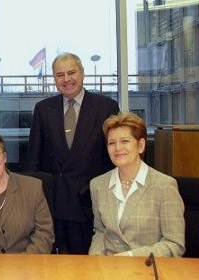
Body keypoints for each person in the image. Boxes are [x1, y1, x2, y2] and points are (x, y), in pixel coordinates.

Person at [26, 52, 120, 254]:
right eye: (60, 75)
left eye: (71, 72)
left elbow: (114, 157)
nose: (66, 79)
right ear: (54, 79)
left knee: (87, 262)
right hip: (53, 201)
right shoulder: (43, 109)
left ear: (83, 74)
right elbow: (34, 157)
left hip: (89, 201)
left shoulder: (106, 107)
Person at [89, 113, 185, 256]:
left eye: (125, 141)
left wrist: (130, 257)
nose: (117, 148)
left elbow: (174, 245)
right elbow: (100, 232)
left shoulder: (164, 186)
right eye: (112, 143)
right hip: (108, 270)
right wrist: (95, 260)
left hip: (146, 269)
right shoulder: (97, 185)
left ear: (140, 145)